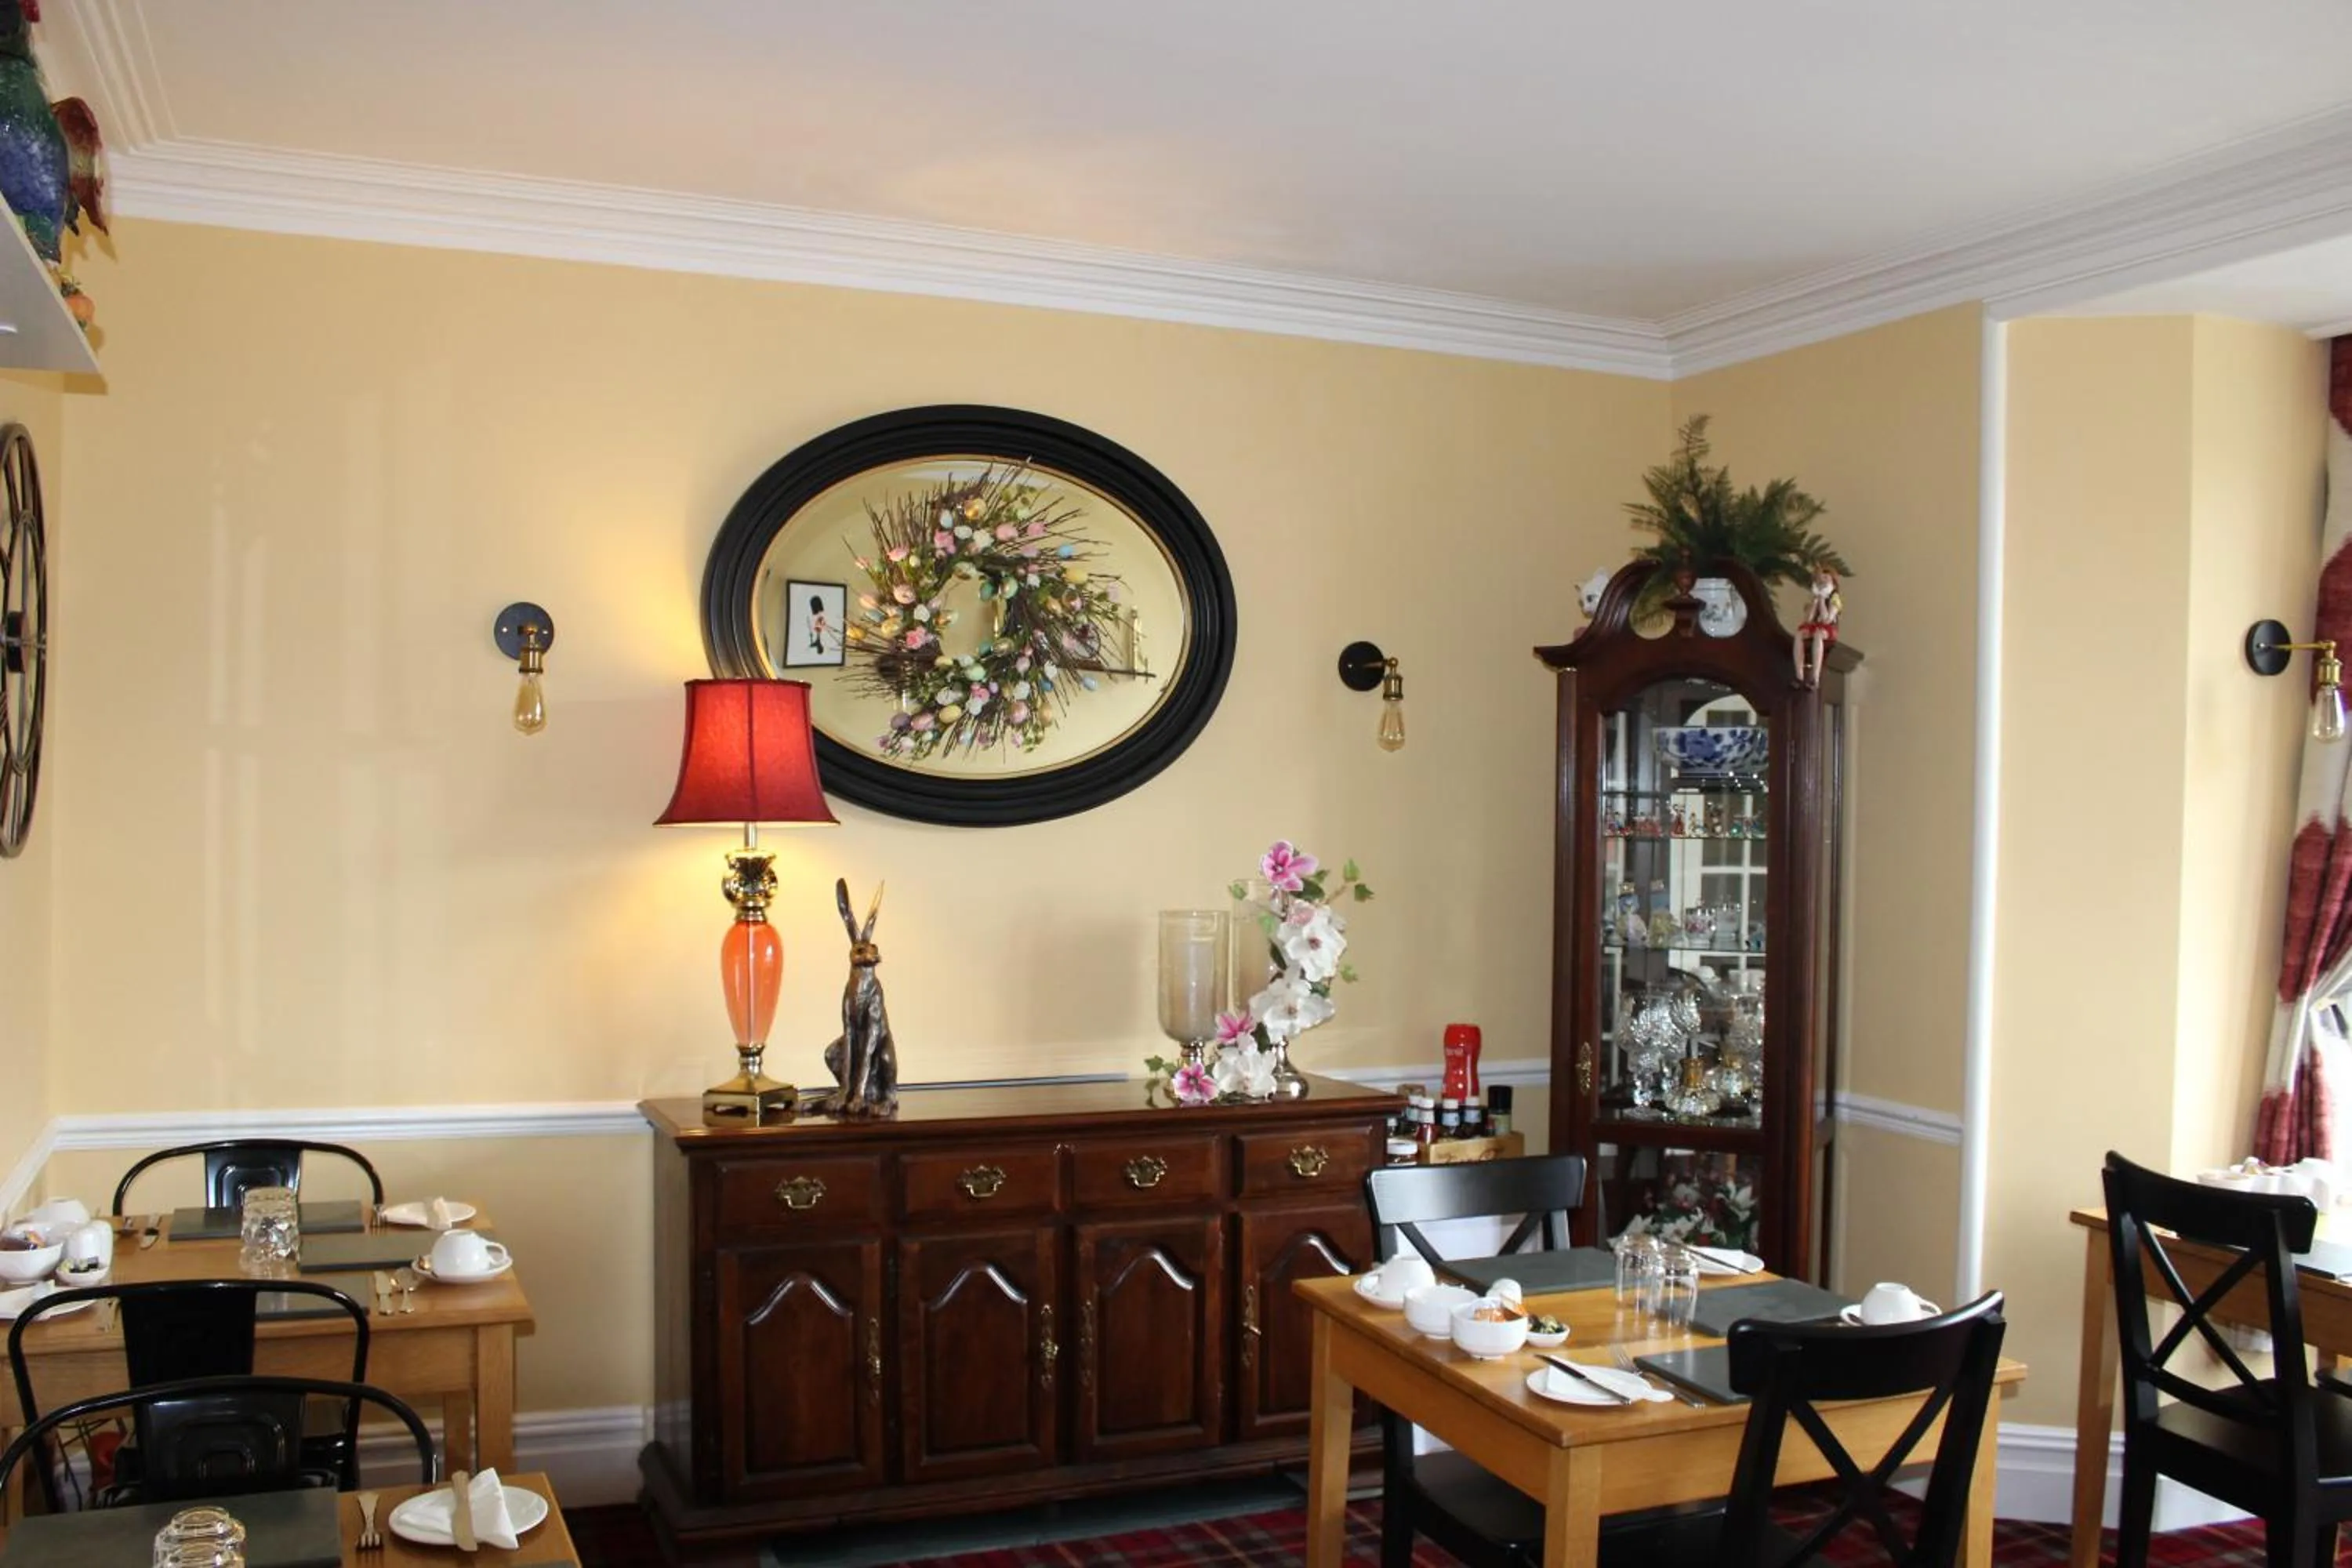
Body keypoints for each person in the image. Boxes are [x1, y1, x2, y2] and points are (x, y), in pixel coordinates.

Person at [1795, 568, 1841, 688]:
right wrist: (1815, 602)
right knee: (1800, 634)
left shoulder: (1834, 598)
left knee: (1818, 634)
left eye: (1826, 578)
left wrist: (1822, 600)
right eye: (1820, 579)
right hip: (1814, 626)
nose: (1822, 581)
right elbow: (1808, 619)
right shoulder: (1814, 598)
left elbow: (1827, 619)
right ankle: (1799, 675)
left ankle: (1815, 677)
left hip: (1828, 628)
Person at [807, 593, 833, 659]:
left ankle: (818, 641)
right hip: (820, 628)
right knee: (818, 629)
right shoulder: (819, 615)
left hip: (821, 628)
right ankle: (817, 641)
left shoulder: (821, 615)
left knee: (818, 628)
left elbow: (821, 623)